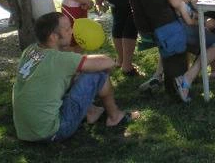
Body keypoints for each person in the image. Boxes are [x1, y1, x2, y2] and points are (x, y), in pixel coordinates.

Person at [12, 12, 139, 142]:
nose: (72, 31)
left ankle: (92, 111)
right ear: (53, 37)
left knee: (75, 74)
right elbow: (108, 62)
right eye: (67, 29)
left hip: (25, 132)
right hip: (53, 132)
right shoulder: (60, 59)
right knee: (98, 72)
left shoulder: (30, 50)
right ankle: (115, 117)